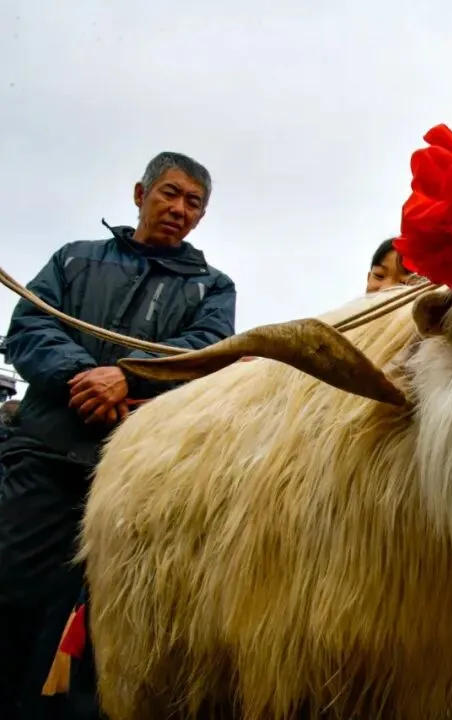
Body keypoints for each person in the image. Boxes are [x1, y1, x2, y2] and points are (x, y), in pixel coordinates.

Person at [0, 151, 237, 718]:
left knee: (113, 628)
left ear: (201, 217)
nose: (179, 209)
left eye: (193, 203)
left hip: (137, 482)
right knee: (9, 594)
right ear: (140, 194)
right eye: (170, 193)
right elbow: (29, 326)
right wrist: (84, 378)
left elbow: (206, 352)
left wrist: (127, 376)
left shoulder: (213, 287)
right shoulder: (74, 258)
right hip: (43, 459)